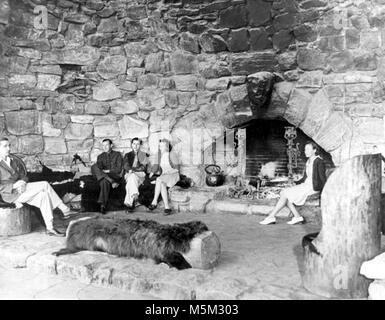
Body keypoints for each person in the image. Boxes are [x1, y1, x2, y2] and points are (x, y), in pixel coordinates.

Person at [0, 136, 76, 236]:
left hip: (21, 190)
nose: (9, 148)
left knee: (43, 195)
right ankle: (64, 209)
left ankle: (50, 228)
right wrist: (14, 186)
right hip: (9, 195)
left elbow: (24, 176)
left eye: (9, 145)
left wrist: (22, 182)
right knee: (44, 184)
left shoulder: (12, 161)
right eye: (5, 146)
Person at [259, 141, 327, 225]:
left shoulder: (319, 161)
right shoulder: (308, 161)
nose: (305, 151)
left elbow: (323, 178)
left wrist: (324, 192)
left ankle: (271, 217)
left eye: (308, 149)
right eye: (305, 149)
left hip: (313, 187)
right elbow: (305, 178)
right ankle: (297, 217)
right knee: (285, 193)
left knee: (285, 194)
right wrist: (295, 182)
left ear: (314, 150)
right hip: (306, 185)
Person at [148, 139, 180, 215]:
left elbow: (177, 170)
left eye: (162, 146)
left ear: (167, 147)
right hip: (164, 175)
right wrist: (151, 174)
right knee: (161, 183)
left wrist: (168, 172)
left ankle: (154, 202)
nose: (160, 147)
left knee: (159, 180)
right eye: (159, 146)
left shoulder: (172, 154)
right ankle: (167, 207)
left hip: (173, 174)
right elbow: (155, 166)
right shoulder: (158, 154)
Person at [91, 139, 123, 214]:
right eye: (103, 145)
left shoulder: (117, 154)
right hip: (103, 176)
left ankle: (103, 205)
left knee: (103, 180)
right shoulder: (100, 156)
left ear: (111, 145)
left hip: (113, 176)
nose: (104, 147)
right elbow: (99, 169)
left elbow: (118, 169)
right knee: (94, 166)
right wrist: (101, 171)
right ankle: (111, 182)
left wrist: (108, 171)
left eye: (106, 145)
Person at [123, 137, 149, 212]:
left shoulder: (144, 155)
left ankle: (129, 203)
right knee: (132, 177)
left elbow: (143, 167)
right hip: (130, 174)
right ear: (131, 145)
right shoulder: (127, 155)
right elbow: (126, 166)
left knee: (131, 179)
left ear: (140, 145)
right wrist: (131, 170)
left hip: (140, 174)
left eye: (137, 144)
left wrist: (133, 170)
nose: (135, 146)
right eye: (134, 144)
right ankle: (135, 198)